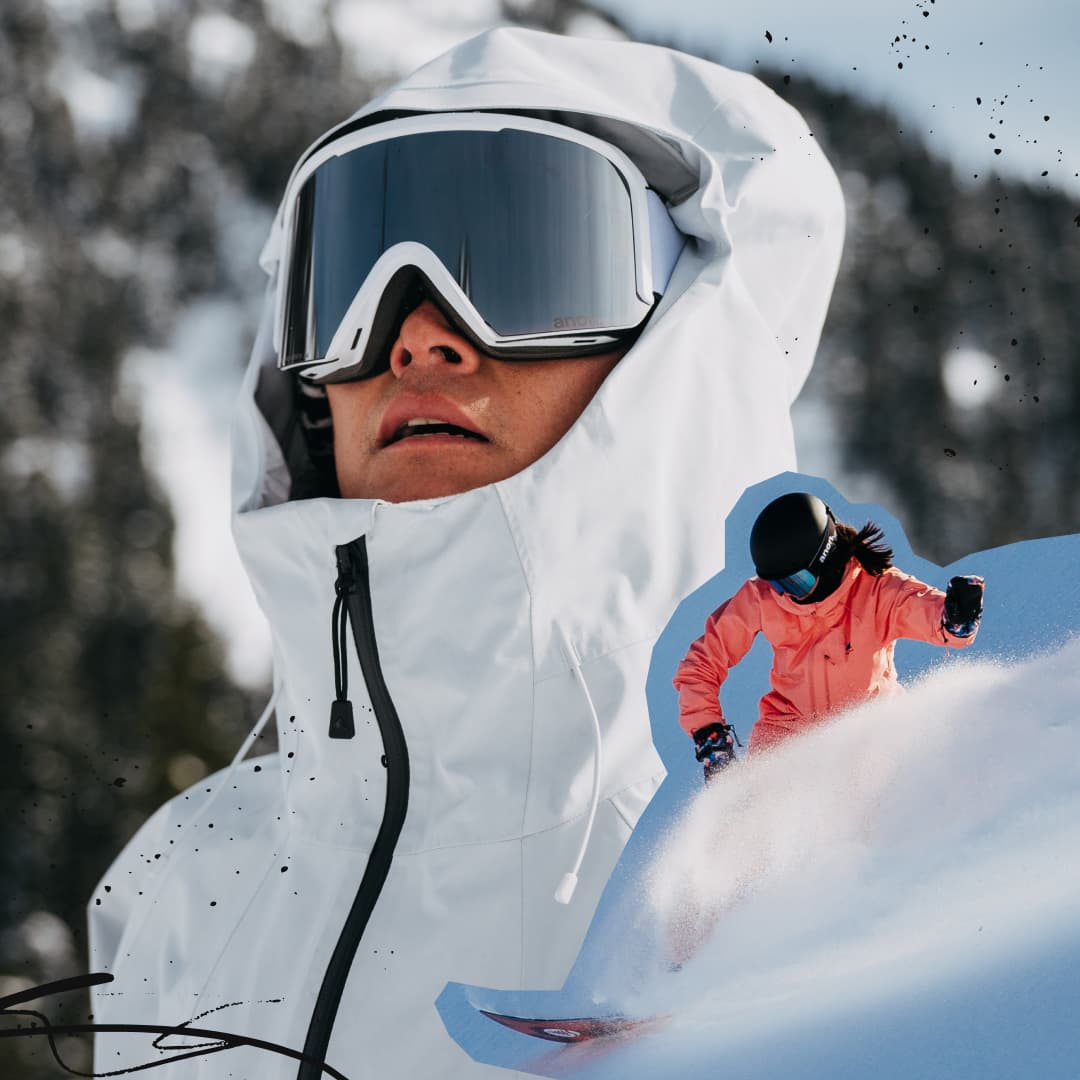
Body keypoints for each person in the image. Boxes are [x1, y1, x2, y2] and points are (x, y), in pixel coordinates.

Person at [88, 28, 845, 1080]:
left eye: (526, 265)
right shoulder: (180, 894)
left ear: (681, 350)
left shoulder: (820, 873)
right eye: (347, 287)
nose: (415, 337)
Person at [675, 492, 985, 780]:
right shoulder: (764, 598)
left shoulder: (878, 590)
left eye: (797, 581)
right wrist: (709, 735)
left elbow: (932, 617)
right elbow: (701, 664)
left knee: (874, 789)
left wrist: (957, 617)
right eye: (778, 584)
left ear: (825, 558)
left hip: (870, 729)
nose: (787, 594)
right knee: (755, 808)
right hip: (789, 733)